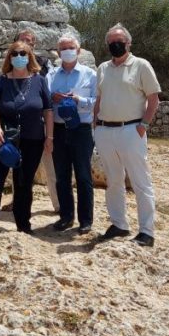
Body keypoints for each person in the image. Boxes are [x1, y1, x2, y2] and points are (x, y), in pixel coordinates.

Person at [0, 41, 53, 234]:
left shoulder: (39, 80)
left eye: (23, 53)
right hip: (4, 138)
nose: (19, 56)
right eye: (15, 53)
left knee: (24, 181)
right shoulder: (3, 80)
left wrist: (50, 137)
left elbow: (47, 109)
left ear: (29, 56)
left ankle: (23, 223)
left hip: (33, 139)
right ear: (9, 57)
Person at [92, 23, 161, 247]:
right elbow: (99, 99)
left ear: (129, 43)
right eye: (111, 42)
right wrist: (96, 125)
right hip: (105, 130)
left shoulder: (141, 65)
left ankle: (146, 231)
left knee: (141, 181)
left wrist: (143, 126)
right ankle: (119, 224)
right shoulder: (103, 68)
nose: (115, 45)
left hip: (131, 130)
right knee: (113, 180)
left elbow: (153, 99)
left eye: (119, 41)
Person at [48, 33, 97, 233]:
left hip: (81, 130)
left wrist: (78, 100)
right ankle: (66, 217)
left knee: (84, 175)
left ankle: (86, 220)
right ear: (59, 52)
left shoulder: (90, 74)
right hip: (59, 130)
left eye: (71, 48)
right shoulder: (51, 75)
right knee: (61, 176)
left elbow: (97, 103)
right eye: (63, 49)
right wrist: (54, 98)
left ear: (78, 51)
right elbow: (45, 103)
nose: (67, 52)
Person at [17, 28, 59, 212]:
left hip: (41, 122)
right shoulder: (13, 61)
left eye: (30, 41)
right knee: (19, 166)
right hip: (20, 123)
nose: (27, 43)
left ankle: (58, 205)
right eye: (23, 40)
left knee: (50, 166)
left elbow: (48, 91)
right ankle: (19, 201)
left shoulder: (44, 64)